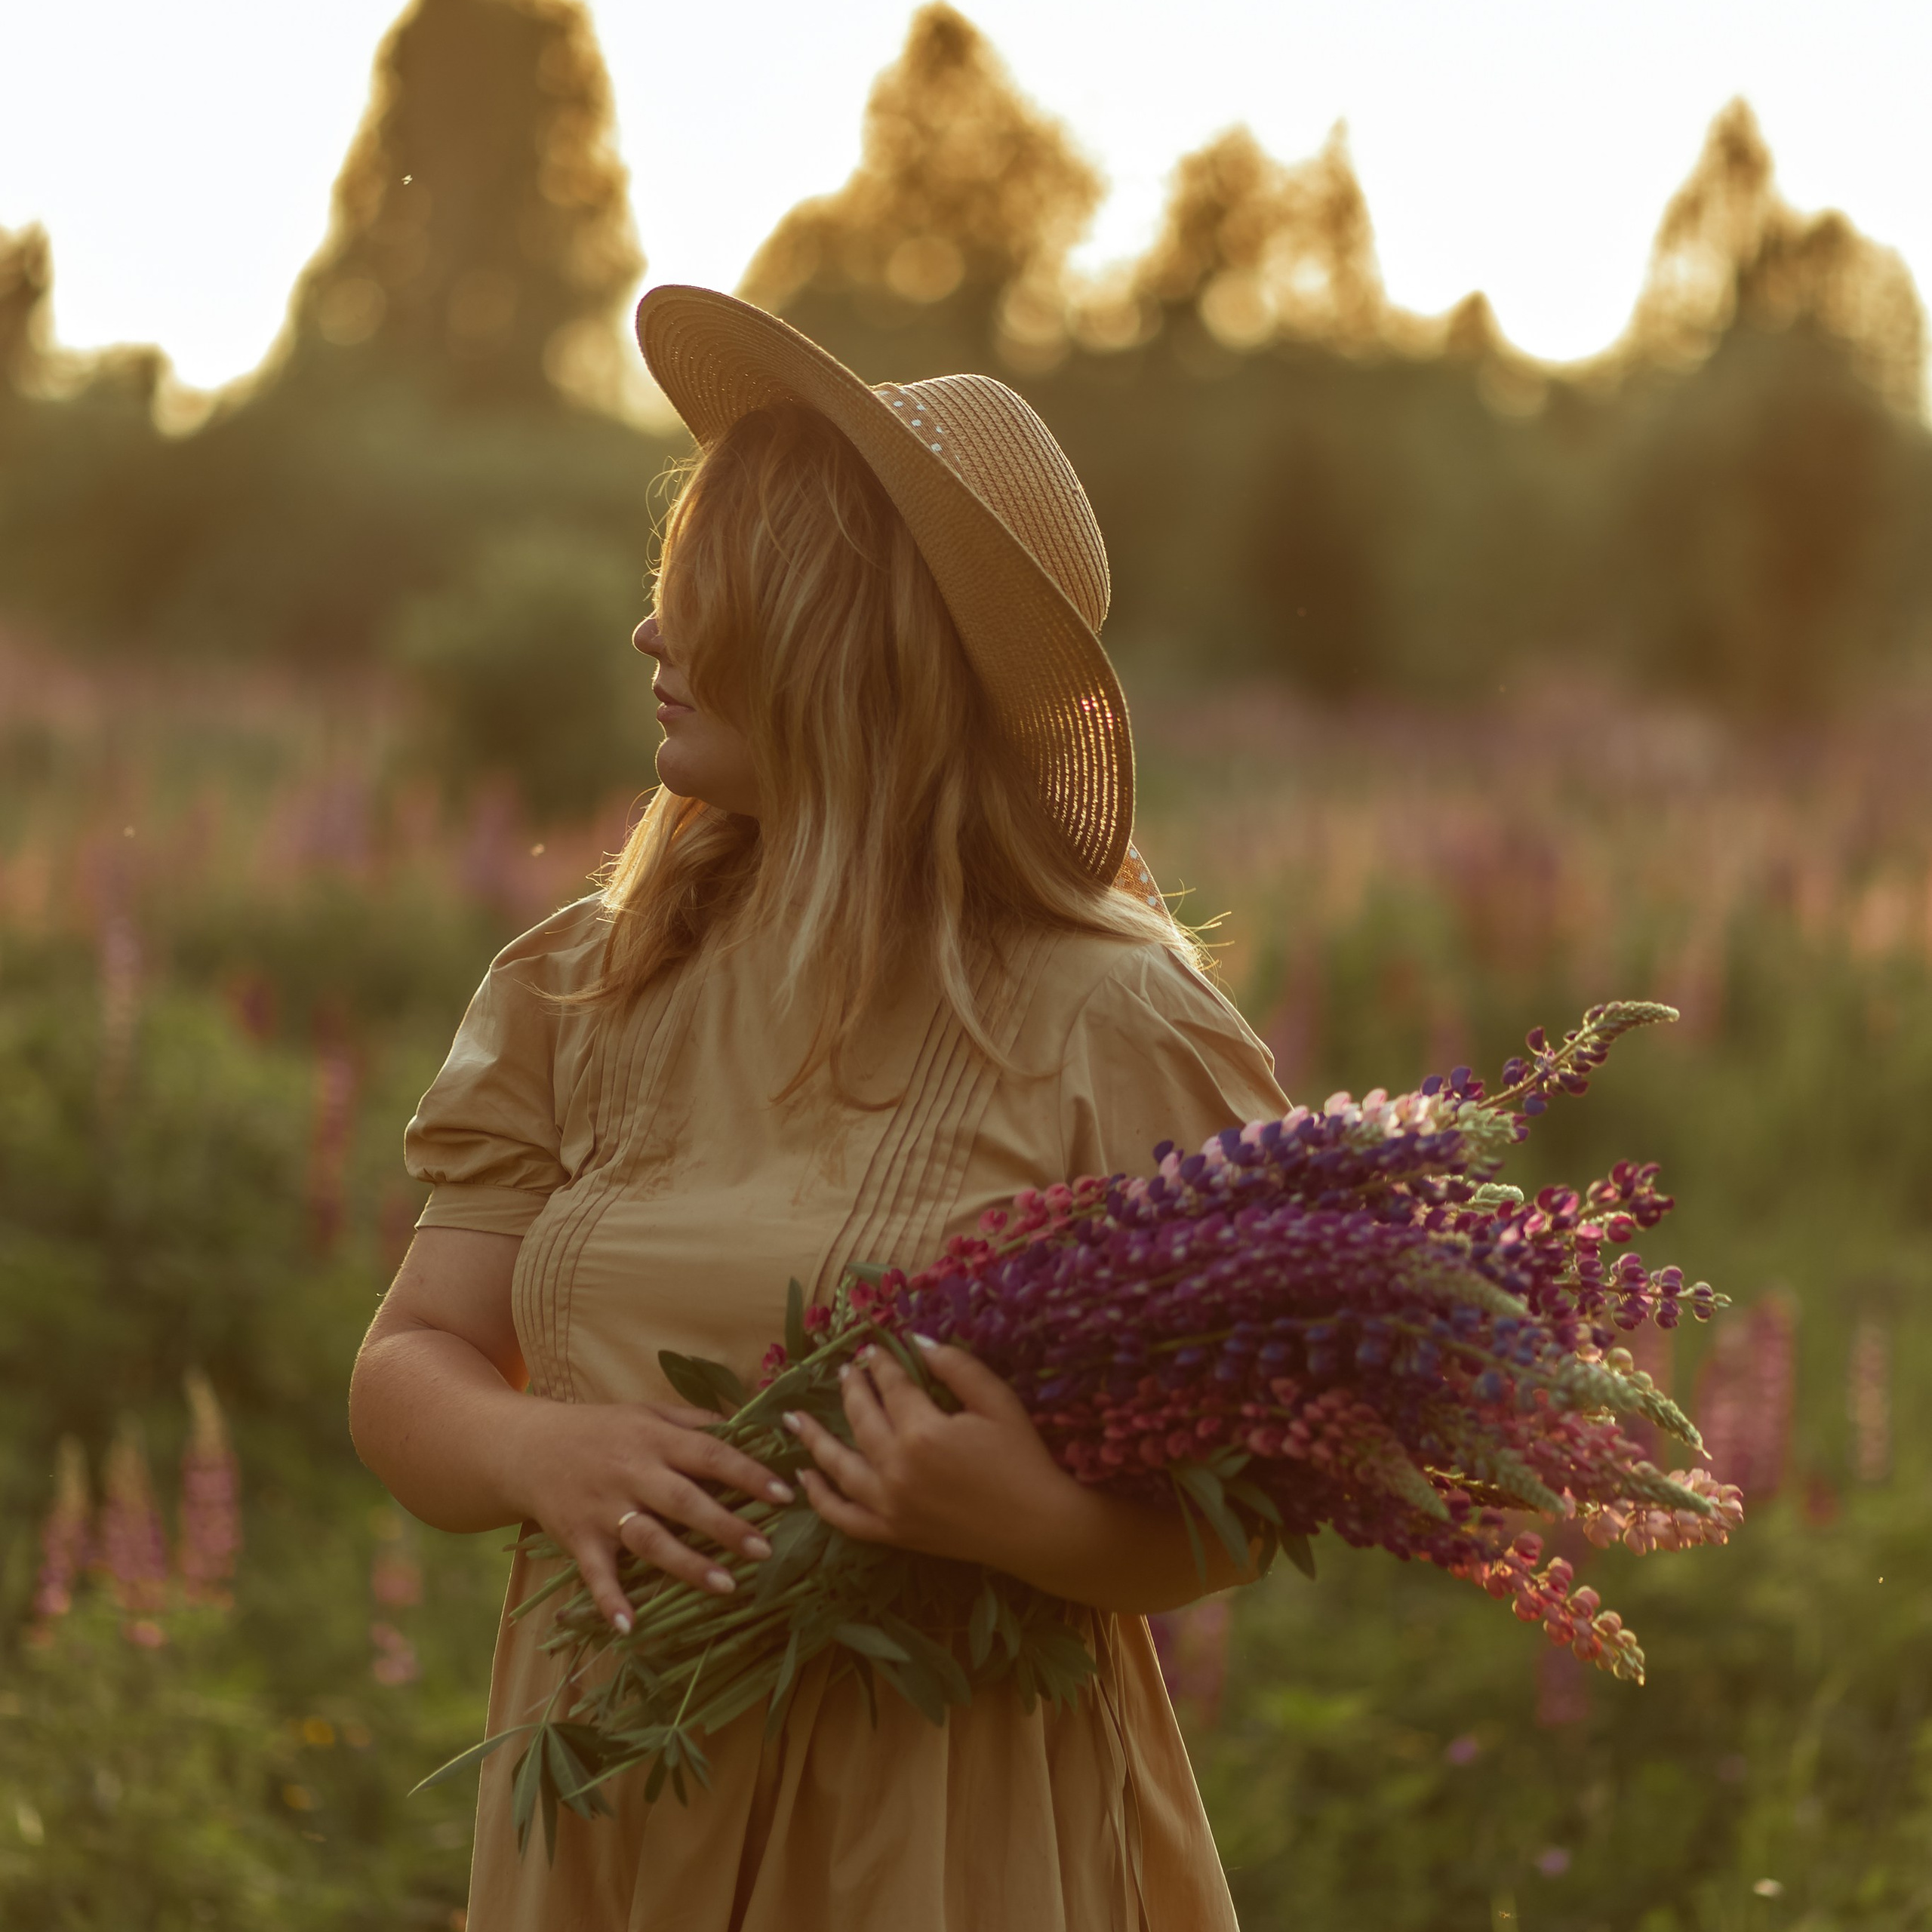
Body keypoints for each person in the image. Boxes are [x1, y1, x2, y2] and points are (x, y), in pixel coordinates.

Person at [349, 286, 1288, 1931]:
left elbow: (1245, 1490)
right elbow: (407, 1360)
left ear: (843, 636)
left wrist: (1028, 1519)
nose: (649, 631)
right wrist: (532, 1446)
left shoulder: (1113, 1019)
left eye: (704, 590)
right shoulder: (585, 979)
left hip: (936, 1826)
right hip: (612, 1795)